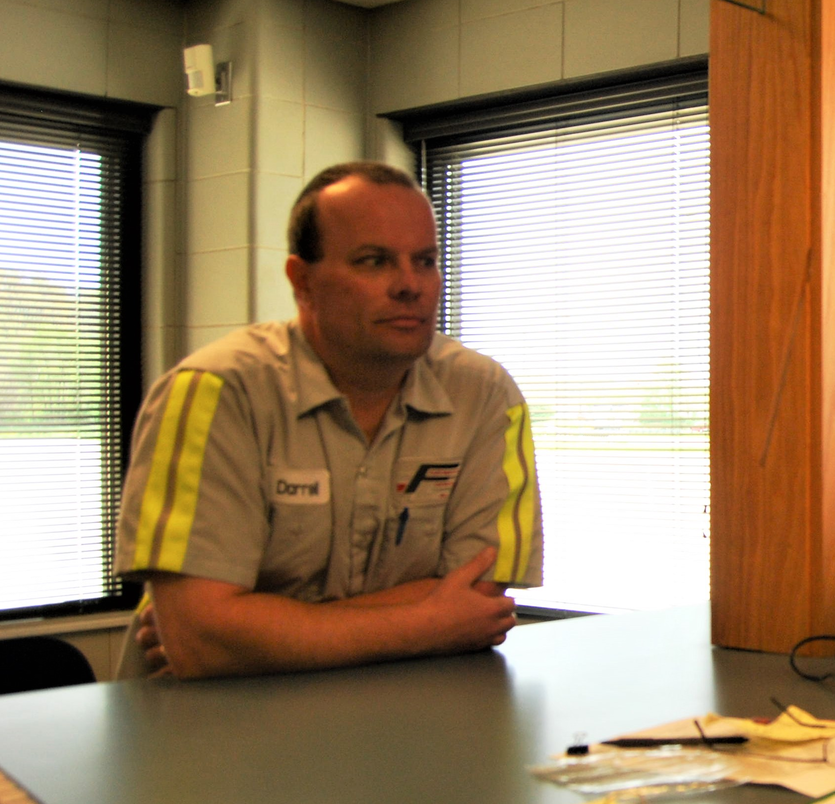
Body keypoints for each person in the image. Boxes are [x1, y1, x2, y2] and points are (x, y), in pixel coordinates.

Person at [113, 161, 542, 679]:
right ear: (303, 281)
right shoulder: (215, 393)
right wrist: (429, 622)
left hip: (404, 721)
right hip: (210, 735)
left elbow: (476, 602)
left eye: (425, 260)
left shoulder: (486, 396)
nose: (410, 285)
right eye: (374, 261)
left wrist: (251, 626)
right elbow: (202, 643)